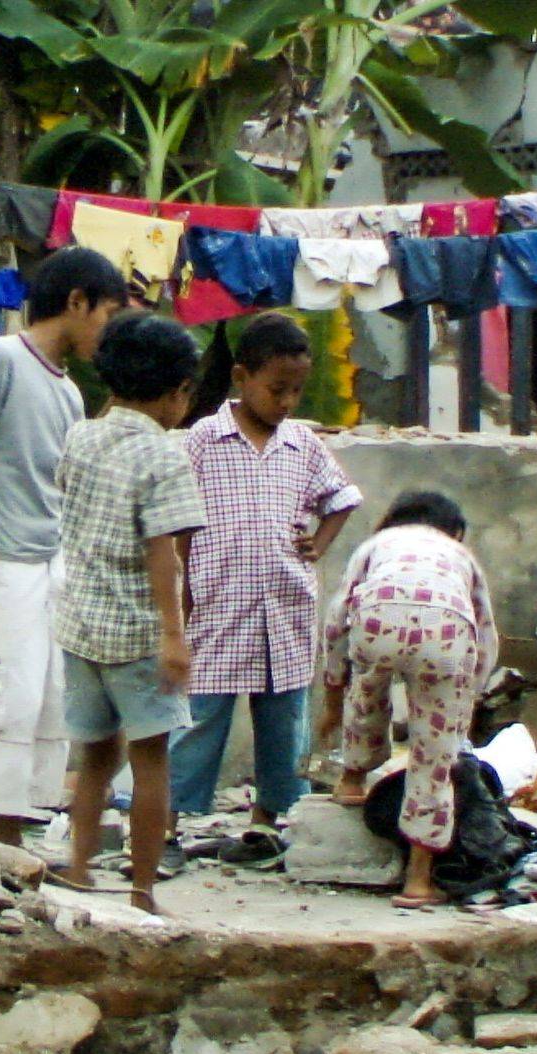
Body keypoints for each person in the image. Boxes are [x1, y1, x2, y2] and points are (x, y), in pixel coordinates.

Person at [0, 247, 128, 847]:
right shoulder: (1, 358)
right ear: (76, 302)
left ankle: (11, 829)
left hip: (50, 562)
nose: (106, 333)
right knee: (0, 697)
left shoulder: (69, 393)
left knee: (45, 698)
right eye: (106, 315)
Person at [167, 313, 362, 871]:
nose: (287, 402)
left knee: (283, 723)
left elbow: (342, 498)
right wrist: (181, 595)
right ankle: (167, 826)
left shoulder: (302, 444)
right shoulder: (204, 439)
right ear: (241, 377)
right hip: (218, 606)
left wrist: (318, 544)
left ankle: (266, 823)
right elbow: (179, 522)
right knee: (198, 719)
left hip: (285, 609)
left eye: (296, 391)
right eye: (277, 390)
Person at [55, 312, 206, 914]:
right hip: (138, 632)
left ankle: (79, 867)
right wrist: (174, 635)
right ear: (177, 391)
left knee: (94, 754)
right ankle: (143, 889)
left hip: (78, 624)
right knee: (150, 763)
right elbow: (162, 550)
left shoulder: (80, 437)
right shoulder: (164, 455)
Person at [318, 490, 499, 908]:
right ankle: (418, 881)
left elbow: (337, 617)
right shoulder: (460, 554)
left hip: (378, 621)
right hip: (446, 632)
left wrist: (332, 691)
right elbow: (486, 632)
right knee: (434, 760)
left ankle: (352, 778)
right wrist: (466, 698)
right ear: (454, 530)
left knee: (367, 688)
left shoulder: (376, 545)